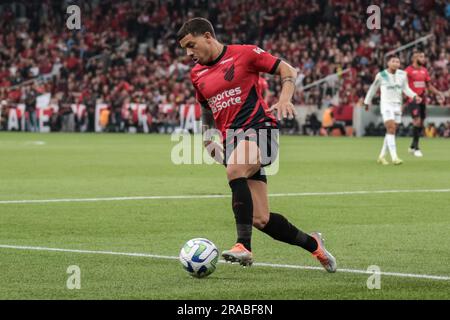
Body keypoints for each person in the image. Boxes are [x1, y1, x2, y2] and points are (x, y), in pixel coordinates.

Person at [177, 17, 336, 272]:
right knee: (261, 218)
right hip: (233, 142)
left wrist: (285, 98)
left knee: (234, 170)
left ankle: (243, 246)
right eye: (185, 49)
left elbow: (288, 70)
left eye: (191, 45)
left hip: (260, 130)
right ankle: (314, 244)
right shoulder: (197, 74)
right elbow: (206, 109)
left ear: (208, 36)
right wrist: (208, 138)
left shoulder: (245, 53)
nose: (188, 53)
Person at [364, 55, 421, 165]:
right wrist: (367, 102)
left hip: (397, 105)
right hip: (386, 104)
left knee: (392, 130)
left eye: (397, 61)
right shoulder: (381, 75)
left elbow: (406, 89)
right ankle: (395, 157)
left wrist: (414, 96)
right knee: (391, 128)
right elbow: (373, 89)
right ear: (388, 63)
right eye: (393, 61)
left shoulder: (402, 74)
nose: (396, 63)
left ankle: (381, 156)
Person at [405, 52, 446, 157]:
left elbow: (429, 86)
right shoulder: (408, 71)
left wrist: (439, 93)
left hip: (422, 100)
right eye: (421, 56)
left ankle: (412, 145)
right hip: (413, 99)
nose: (423, 59)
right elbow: (402, 85)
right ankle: (417, 148)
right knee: (417, 121)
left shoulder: (424, 70)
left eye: (424, 56)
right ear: (414, 58)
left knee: (421, 123)